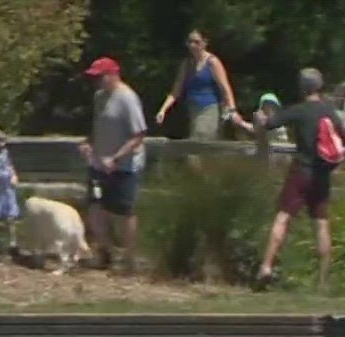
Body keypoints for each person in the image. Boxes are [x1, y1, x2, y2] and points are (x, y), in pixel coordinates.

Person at [238, 69, 345, 291]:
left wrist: (256, 120)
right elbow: (343, 137)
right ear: (320, 86)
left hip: (301, 171)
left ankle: (266, 267)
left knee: (282, 218)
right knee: (321, 224)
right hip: (322, 174)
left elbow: (269, 124)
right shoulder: (330, 112)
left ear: (302, 88)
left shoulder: (299, 110)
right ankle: (323, 281)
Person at [79, 56, 148, 272]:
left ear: (113, 75)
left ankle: (129, 259)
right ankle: (105, 253)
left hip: (124, 165)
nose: (97, 81)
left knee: (125, 211)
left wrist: (117, 157)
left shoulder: (127, 98)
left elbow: (138, 134)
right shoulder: (99, 97)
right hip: (99, 163)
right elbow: (97, 126)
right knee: (95, 207)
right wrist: (88, 144)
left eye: (100, 77)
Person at [153, 30, 236, 142]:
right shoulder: (187, 64)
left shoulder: (212, 62)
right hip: (193, 109)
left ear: (204, 43)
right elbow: (175, 92)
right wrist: (163, 110)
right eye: (190, 42)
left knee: (200, 141)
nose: (193, 45)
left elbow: (225, 88)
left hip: (209, 108)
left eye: (196, 42)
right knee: (197, 143)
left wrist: (232, 109)